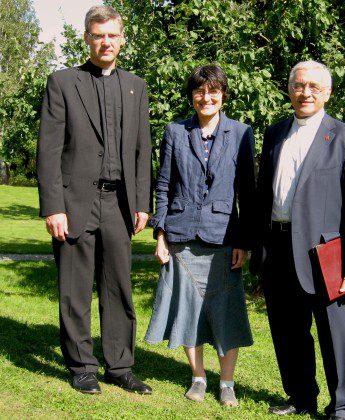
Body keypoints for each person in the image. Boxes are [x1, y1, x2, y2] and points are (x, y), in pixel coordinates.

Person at [37, 6, 152, 395]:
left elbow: (142, 151)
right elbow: (48, 151)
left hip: (119, 205)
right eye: (98, 35)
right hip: (73, 203)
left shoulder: (137, 86)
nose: (106, 42)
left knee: (119, 287)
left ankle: (120, 365)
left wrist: (142, 203)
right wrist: (53, 206)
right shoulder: (62, 82)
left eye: (113, 35)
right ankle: (82, 366)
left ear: (122, 39)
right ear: (87, 38)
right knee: (75, 289)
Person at [251, 60, 345, 419]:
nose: (305, 93)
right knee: (288, 332)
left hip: (326, 254)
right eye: (299, 85)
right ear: (289, 89)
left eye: (314, 87)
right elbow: (262, 195)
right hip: (277, 247)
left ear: (327, 92)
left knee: (335, 336)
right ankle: (301, 397)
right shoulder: (274, 134)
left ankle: (344, 406)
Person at [145, 65, 255, 407]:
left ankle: (227, 383)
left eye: (213, 92)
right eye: (199, 91)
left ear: (222, 95)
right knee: (188, 309)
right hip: (181, 233)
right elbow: (163, 184)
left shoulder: (240, 133)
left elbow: (247, 193)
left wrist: (244, 241)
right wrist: (160, 233)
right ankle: (197, 377)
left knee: (226, 311)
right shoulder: (175, 131)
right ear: (192, 95)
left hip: (223, 237)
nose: (206, 98)